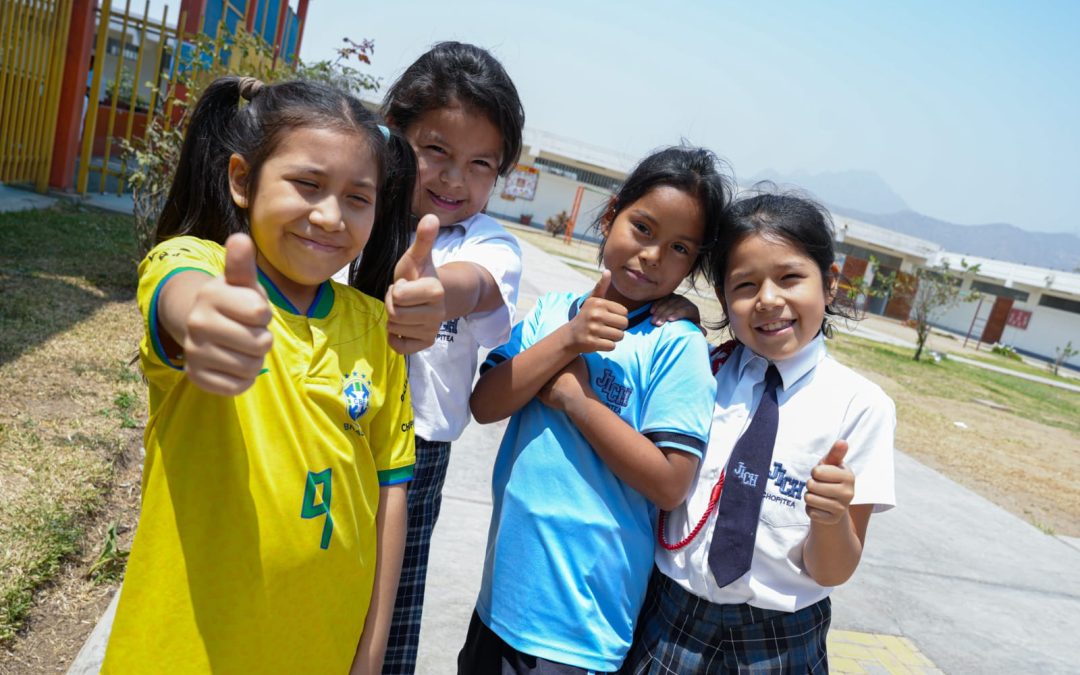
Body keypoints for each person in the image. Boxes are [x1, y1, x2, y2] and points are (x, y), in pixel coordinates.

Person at [102, 76, 423, 674]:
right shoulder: (199, 265)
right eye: (308, 184)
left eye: (358, 198)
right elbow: (181, 295)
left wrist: (371, 654)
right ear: (242, 180)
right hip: (180, 654)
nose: (330, 216)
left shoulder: (378, 330)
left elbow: (390, 495)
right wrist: (207, 321)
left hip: (321, 652)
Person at [461, 146, 733, 673]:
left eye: (679, 248)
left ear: (693, 264)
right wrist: (569, 339)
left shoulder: (675, 345)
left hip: (580, 631)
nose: (652, 255)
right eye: (643, 228)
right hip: (499, 605)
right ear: (611, 216)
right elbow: (485, 403)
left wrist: (576, 400)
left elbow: (670, 483)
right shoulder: (551, 313)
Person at [623, 191, 897, 674]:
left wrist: (831, 518)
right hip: (669, 617)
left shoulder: (860, 407)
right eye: (745, 285)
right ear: (723, 298)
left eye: (790, 278)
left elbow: (833, 570)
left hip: (780, 639)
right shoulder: (700, 372)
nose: (768, 300)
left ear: (830, 283)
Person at [370, 42, 527, 675]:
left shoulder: (489, 242)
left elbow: (476, 285)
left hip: (418, 453)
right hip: (324, 429)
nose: (454, 179)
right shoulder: (356, 212)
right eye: (435, 150)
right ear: (394, 133)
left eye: (480, 163)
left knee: (387, 612)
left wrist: (436, 294)